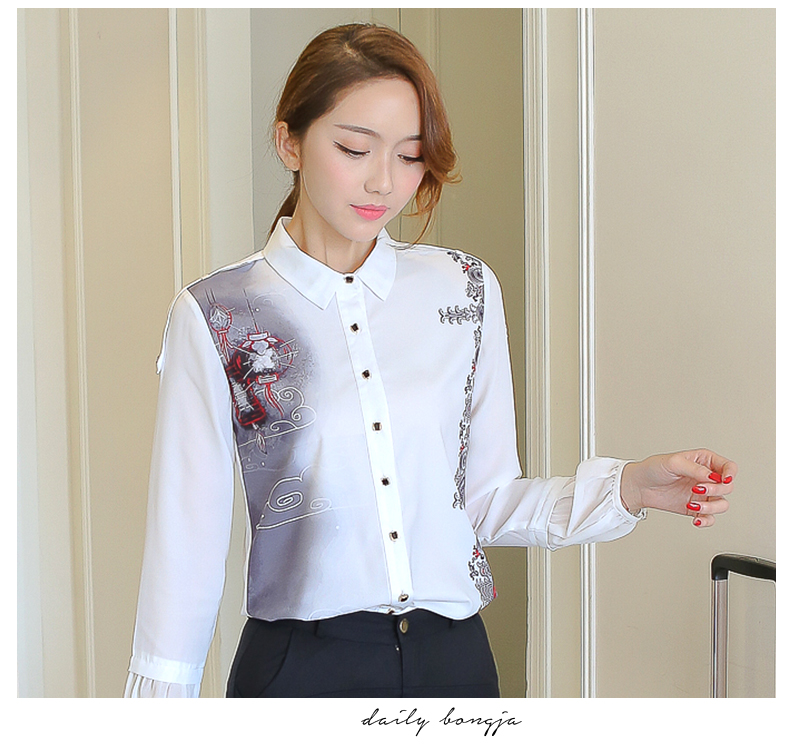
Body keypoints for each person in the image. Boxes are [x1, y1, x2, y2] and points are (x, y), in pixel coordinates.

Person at [124, 23, 736, 698]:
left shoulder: (464, 289)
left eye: (410, 155)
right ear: (289, 142)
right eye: (354, 148)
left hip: (455, 663)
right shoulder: (219, 313)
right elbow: (186, 546)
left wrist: (627, 489)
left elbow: (485, 501)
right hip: (300, 671)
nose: (383, 181)